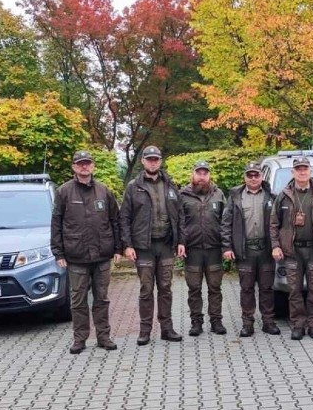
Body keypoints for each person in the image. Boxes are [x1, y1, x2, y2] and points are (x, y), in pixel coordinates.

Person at [51, 150, 122, 354]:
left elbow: (115, 220)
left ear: (93, 166)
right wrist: (59, 253)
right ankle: (80, 339)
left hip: (102, 255)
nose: (84, 167)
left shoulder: (103, 191)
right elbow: (56, 223)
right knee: (78, 300)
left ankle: (104, 337)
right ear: (74, 167)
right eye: (80, 164)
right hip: (76, 256)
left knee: (102, 299)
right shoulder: (64, 192)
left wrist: (118, 247)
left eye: (87, 163)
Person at [119, 145, 183, 346]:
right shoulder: (133, 186)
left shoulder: (171, 185)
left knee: (166, 288)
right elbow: (124, 218)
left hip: (165, 245)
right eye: (150, 159)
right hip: (143, 247)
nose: (153, 162)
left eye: (156, 159)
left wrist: (181, 241)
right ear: (143, 161)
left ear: (160, 161)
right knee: (146, 289)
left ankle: (167, 329)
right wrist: (127, 245)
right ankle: (145, 331)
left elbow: (180, 216)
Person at [270, 156, 313, 341]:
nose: (302, 172)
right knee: (294, 291)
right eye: (298, 169)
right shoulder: (284, 195)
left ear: (310, 171)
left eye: (305, 169)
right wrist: (276, 245)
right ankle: (298, 325)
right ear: (293, 172)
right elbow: (274, 223)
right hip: (292, 251)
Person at [221, 162, 281, 337]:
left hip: (266, 249)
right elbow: (226, 224)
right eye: (250, 175)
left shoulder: (272, 197)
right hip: (245, 250)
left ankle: (268, 322)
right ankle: (247, 323)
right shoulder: (235, 197)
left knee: (267, 288)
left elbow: (279, 223)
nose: (253, 178)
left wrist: (278, 245)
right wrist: (226, 246)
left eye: (256, 175)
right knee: (246, 288)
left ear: (262, 177)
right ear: (245, 177)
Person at [178, 161, 227, 336]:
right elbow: (179, 222)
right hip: (193, 250)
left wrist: (226, 246)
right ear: (193, 175)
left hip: (214, 249)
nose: (202, 177)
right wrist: (181, 242)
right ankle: (196, 322)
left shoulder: (219, 194)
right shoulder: (182, 195)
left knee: (215, 288)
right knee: (194, 289)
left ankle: (216, 322)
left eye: (205, 173)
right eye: (198, 173)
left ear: (209, 176)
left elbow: (225, 222)